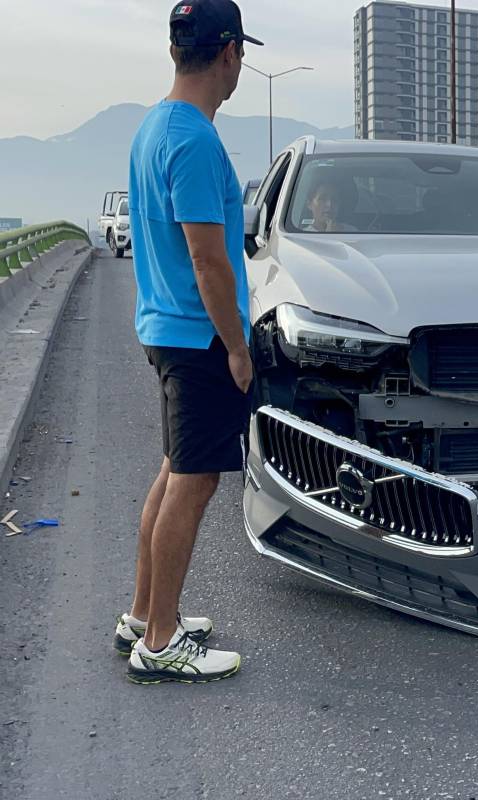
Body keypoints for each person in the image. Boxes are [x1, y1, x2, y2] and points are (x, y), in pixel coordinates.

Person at [116, 0, 262, 683]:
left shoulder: (156, 127)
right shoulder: (197, 141)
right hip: (197, 336)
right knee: (194, 481)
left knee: (175, 471)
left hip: (164, 327)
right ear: (229, 53)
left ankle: (146, 615)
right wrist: (236, 346)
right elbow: (209, 261)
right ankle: (162, 642)